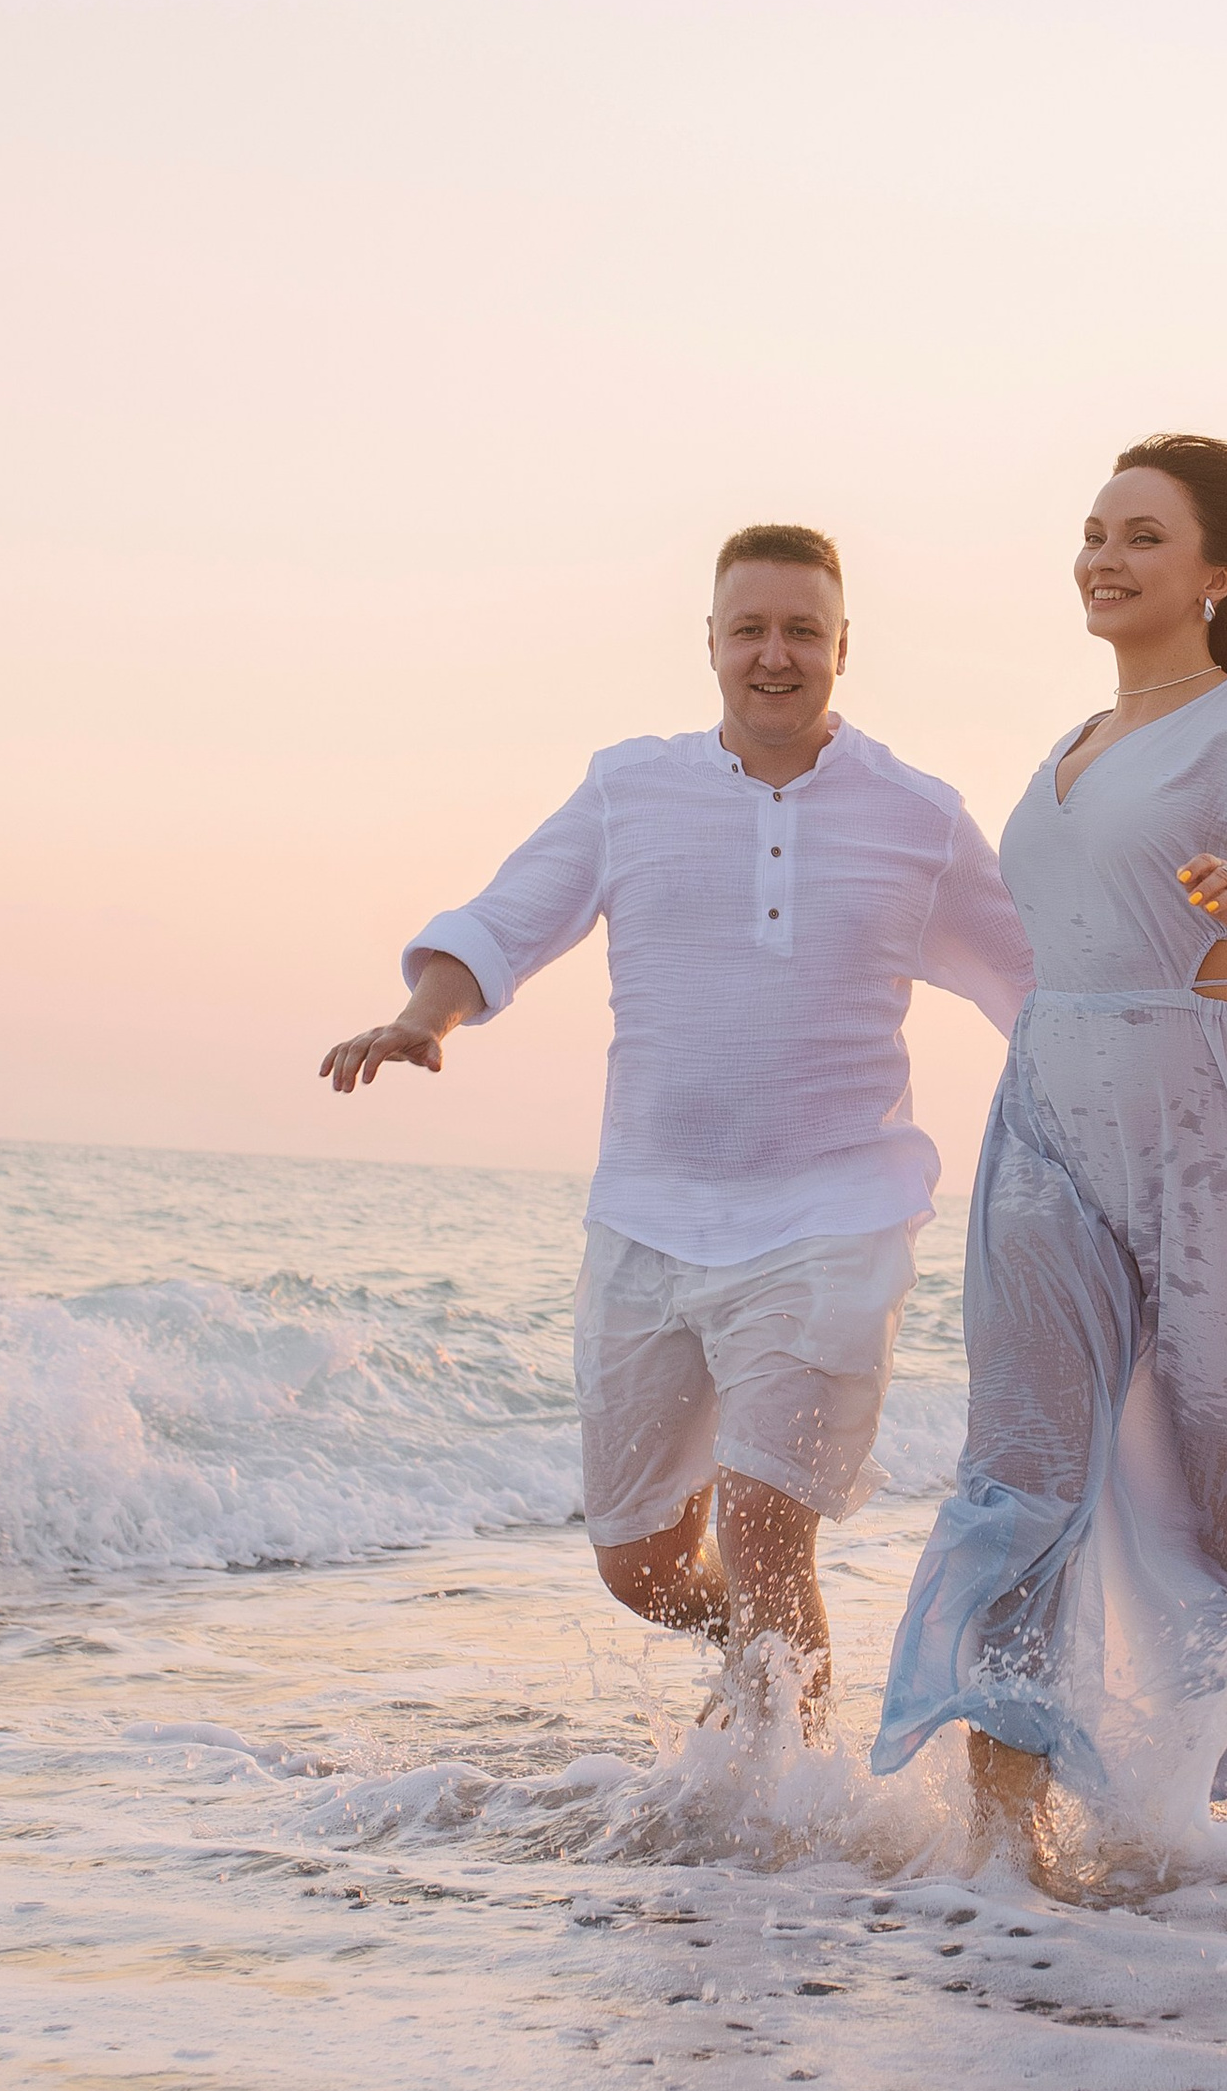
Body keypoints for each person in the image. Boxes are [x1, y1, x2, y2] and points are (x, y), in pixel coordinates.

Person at [318, 524, 1033, 1720]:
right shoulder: (628, 788)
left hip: (835, 1218)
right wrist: (426, 1016)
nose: (774, 654)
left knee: (763, 1529)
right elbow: (510, 913)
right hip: (648, 1219)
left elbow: (1035, 979)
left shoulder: (918, 816)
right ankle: (759, 1668)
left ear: (843, 648)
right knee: (640, 1565)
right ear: (709, 643)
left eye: (801, 630)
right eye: (748, 628)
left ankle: (787, 1830)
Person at [871, 433, 1227, 1863]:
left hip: (1210, 1123)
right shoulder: (1071, 744)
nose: (1104, 558)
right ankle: (1004, 1855)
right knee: (1020, 1471)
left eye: (1141, 536)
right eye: (1093, 532)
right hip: (1049, 1116)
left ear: (1217, 574)